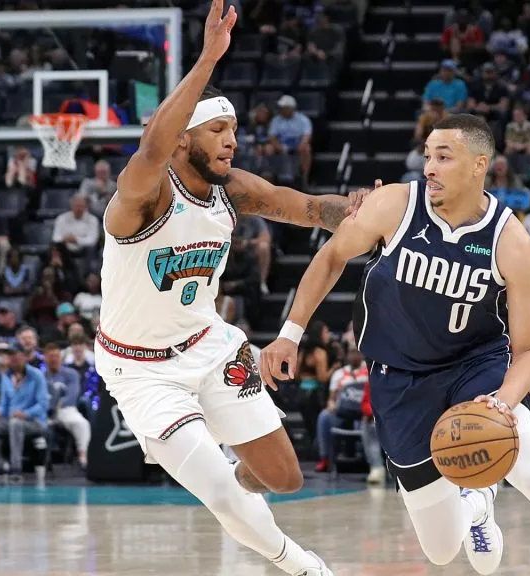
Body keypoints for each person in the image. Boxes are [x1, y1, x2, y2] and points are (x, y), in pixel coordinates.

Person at [262, 114, 530, 576]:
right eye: (427, 155)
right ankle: (478, 504)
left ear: (478, 165)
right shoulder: (394, 206)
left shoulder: (510, 241)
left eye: (444, 157)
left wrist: (503, 403)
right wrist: (289, 334)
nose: (429, 167)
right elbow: (331, 257)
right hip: (398, 378)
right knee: (441, 549)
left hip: (475, 365)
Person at [91, 4, 361, 574]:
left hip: (209, 346)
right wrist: (208, 58)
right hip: (141, 370)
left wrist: (363, 210)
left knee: (282, 478)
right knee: (219, 493)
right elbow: (150, 149)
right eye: (218, 130)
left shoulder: (230, 189)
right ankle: (301, 565)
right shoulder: (141, 196)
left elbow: (309, 208)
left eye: (234, 130)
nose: (231, 141)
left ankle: (233, 476)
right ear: (182, 139)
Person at [0, 343, 50, 479]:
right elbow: (4, 404)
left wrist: (26, 413)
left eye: (15, 354)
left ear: (24, 356)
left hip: (35, 421)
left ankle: (16, 468)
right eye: (10, 355)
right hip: (12, 418)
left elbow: (43, 404)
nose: (12, 358)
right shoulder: (6, 377)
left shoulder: (36, 375)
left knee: (15, 423)